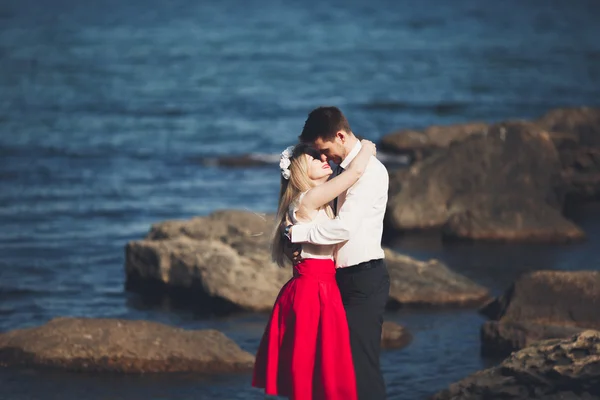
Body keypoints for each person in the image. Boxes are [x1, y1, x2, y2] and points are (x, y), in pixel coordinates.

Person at [252, 139, 377, 400]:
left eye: (324, 155)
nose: (324, 159)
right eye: (314, 157)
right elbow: (354, 173)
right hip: (312, 292)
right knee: (314, 373)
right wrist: (367, 148)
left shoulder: (315, 202)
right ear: (298, 169)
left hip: (320, 288)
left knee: (322, 372)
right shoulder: (307, 199)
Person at [287, 106, 390, 400]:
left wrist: (298, 234)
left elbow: (344, 228)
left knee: (362, 368)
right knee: (336, 371)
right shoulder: (343, 172)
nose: (324, 157)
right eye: (317, 153)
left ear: (341, 136)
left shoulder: (369, 170)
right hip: (336, 282)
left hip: (363, 280)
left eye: (326, 149)